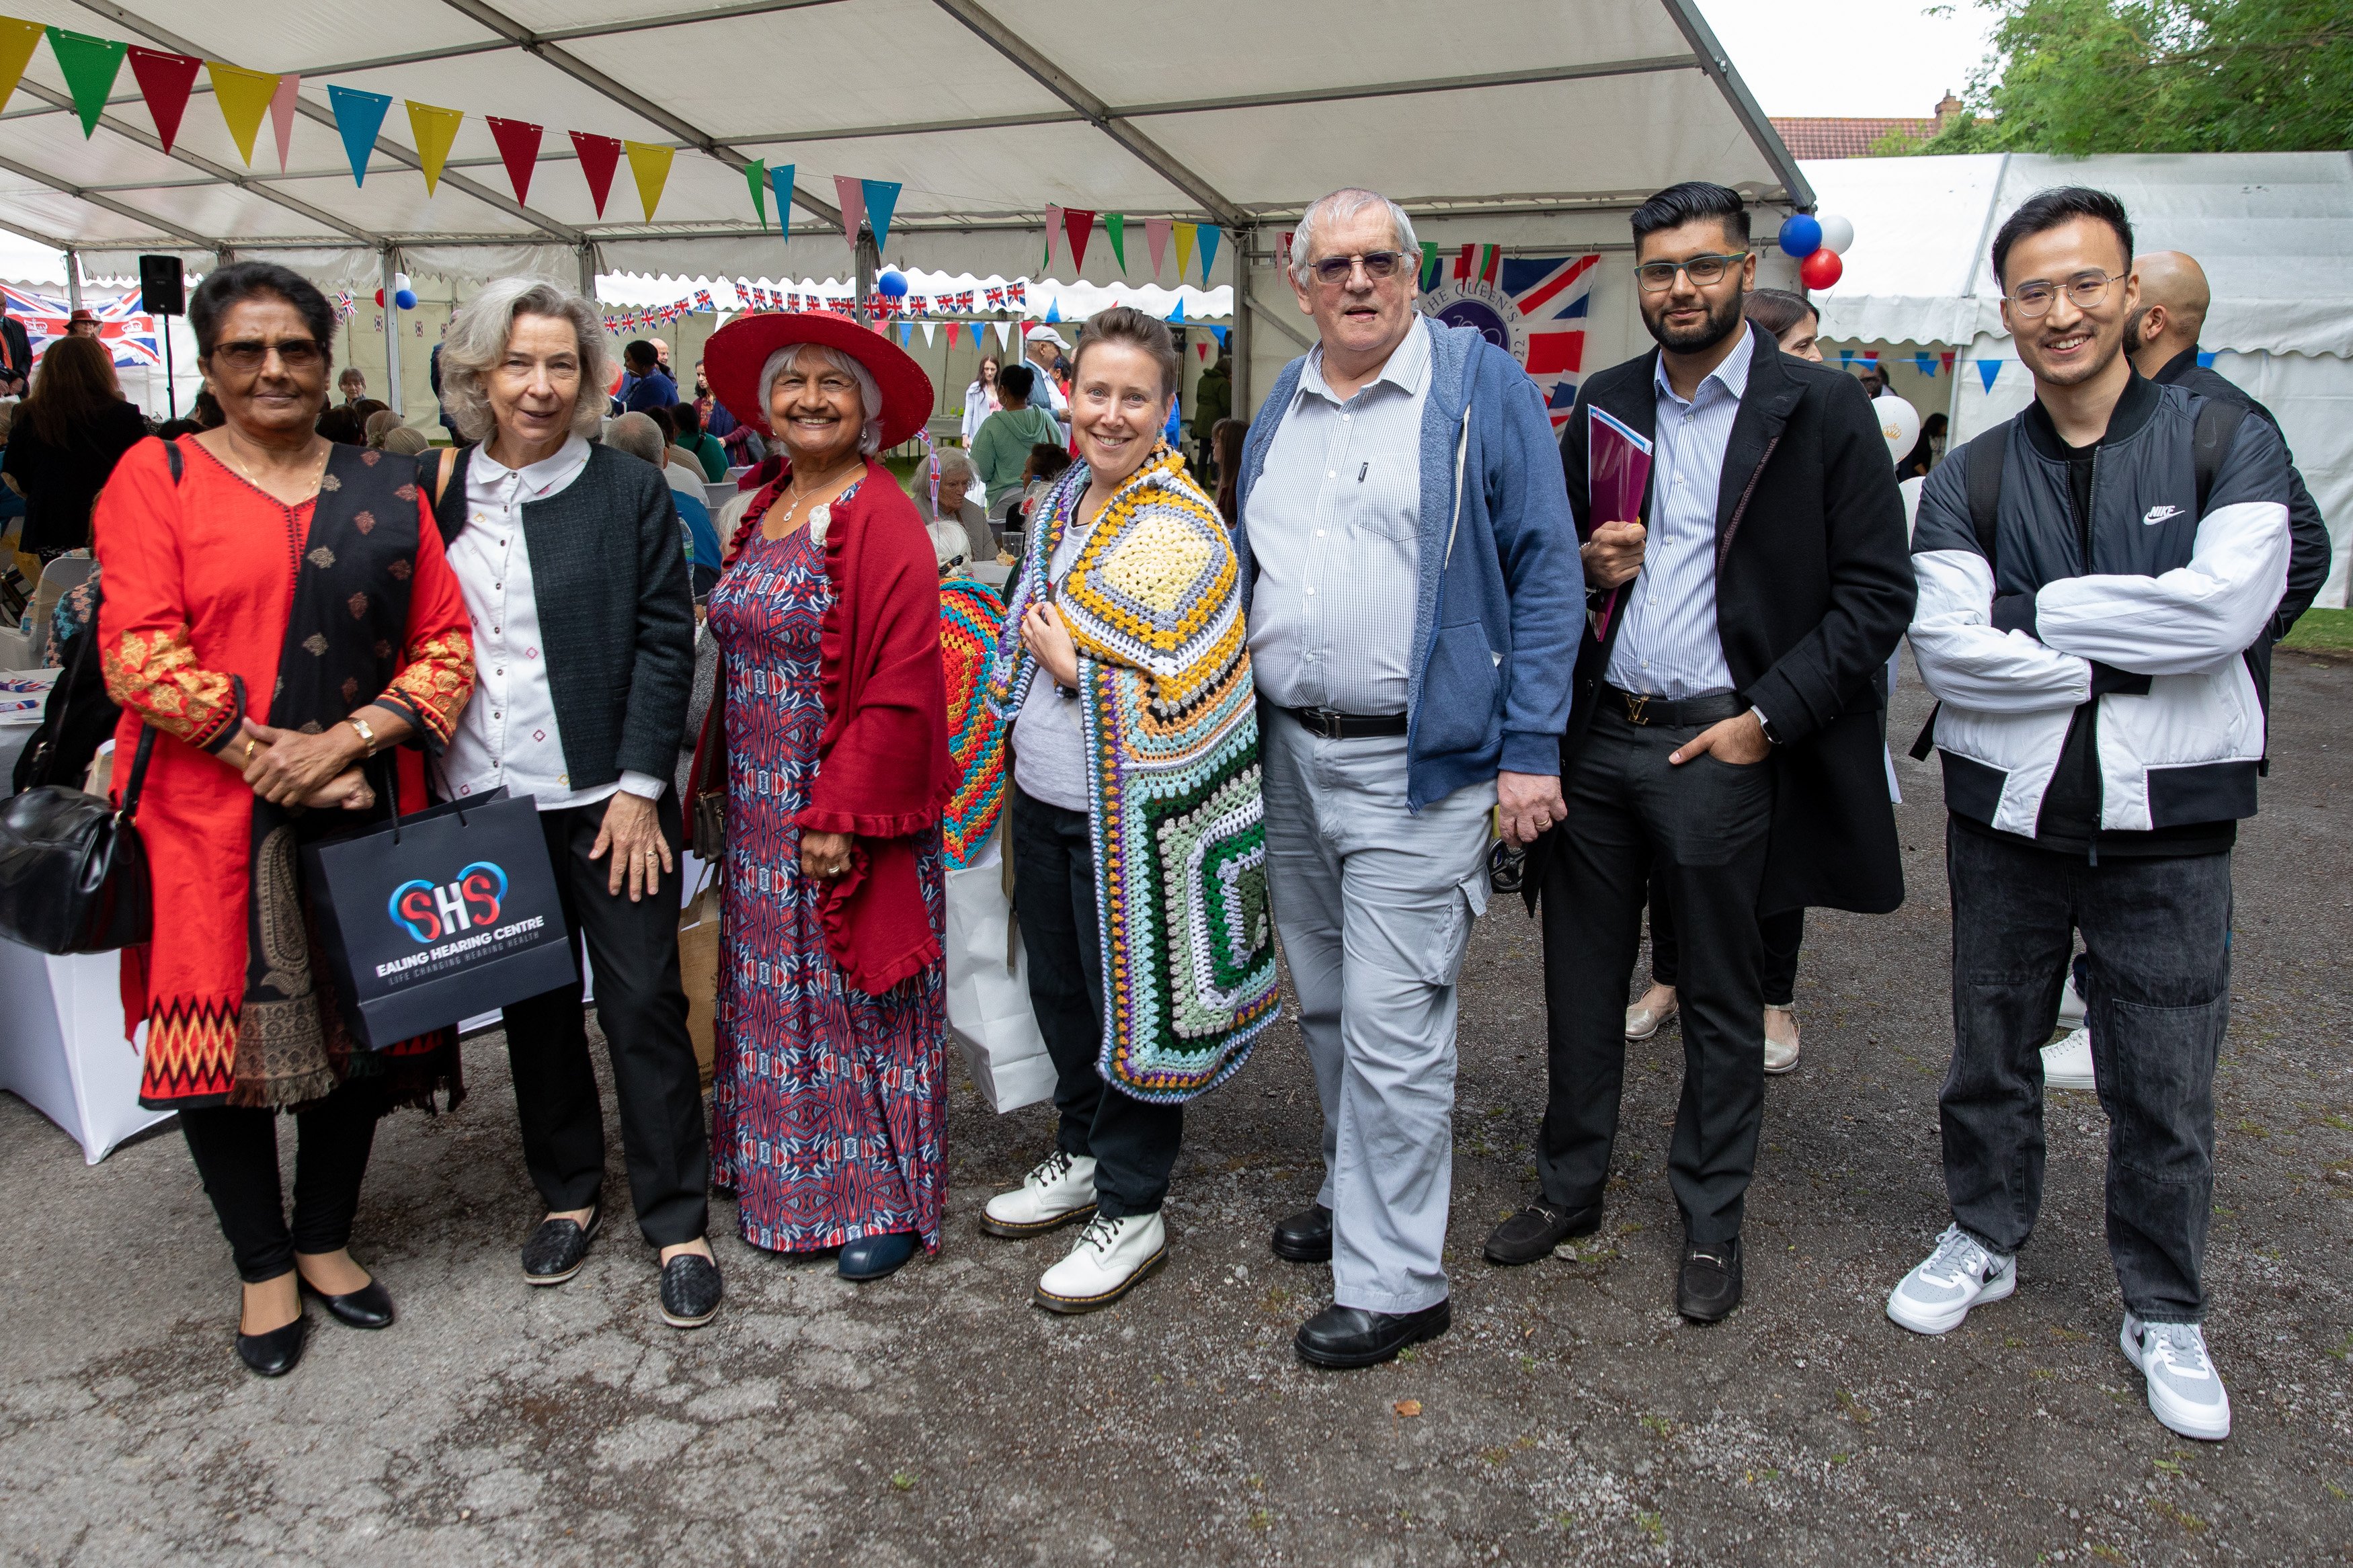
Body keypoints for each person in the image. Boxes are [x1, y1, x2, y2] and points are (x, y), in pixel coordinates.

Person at [1893, 189, 2292, 1444]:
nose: (2060, 311)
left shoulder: (2229, 439)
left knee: (2164, 1078)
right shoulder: (1973, 472)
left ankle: (2164, 1304)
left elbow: (2224, 617)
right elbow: (1952, 655)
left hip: (2173, 820)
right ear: (2005, 311)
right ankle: (1984, 1231)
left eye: (2085, 284)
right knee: (1991, 1048)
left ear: (2132, 297)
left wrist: (2044, 613)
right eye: (2033, 291)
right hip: (2008, 811)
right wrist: (2128, 628)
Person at [1497, 181, 1913, 1325]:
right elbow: (1551, 571)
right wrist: (1590, 566)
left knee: (1724, 993)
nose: (1681, 286)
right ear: (1640, 280)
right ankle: (1568, 1188)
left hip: (1720, 743)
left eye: (1704, 265)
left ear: (1745, 269)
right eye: (1660, 269)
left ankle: (1711, 1218)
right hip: (1600, 735)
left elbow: (1879, 598)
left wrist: (1764, 720)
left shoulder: (1819, 408)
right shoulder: (1610, 400)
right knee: (1577, 982)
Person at [92, 260, 475, 1377]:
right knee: (218, 1048)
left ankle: (323, 1238)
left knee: (360, 1029)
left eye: (295, 349)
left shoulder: (385, 484)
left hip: (362, 794)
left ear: (325, 359)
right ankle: (261, 1261)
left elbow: (446, 649)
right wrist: (272, 757)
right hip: (204, 816)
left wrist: (347, 742)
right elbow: (135, 649)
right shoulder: (154, 476)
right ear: (209, 365)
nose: (272, 369)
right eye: (246, 350)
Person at [1237, 188, 1581, 1368]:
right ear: (1301, 283)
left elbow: (1546, 570)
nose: (1359, 282)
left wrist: (1531, 746)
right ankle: (1356, 1190)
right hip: (1293, 751)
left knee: (1394, 1025)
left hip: (1416, 764)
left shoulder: (1478, 388)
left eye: (1381, 260)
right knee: (1327, 1003)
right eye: (1333, 265)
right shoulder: (1284, 396)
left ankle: (1397, 1282)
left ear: (1415, 270)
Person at [426, 278, 719, 1330]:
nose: (540, 386)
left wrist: (643, 791)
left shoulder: (626, 491)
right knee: (536, 1007)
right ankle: (565, 1190)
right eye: (517, 364)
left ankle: (677, 1218)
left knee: (642, 1000)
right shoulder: (438, 488)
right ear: (477, 376)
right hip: (485, 798)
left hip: (609, 797)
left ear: (591, 377)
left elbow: (662, 641)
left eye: (560, 364)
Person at [983, 306, 1276, 1311]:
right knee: (1062, 994)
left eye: (1133, 397)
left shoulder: (1178, 525)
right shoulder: (1064, 500)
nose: (1110, 414)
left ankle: (1135, 1202)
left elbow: (1197, 687)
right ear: (1070, 396)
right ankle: (1078, 1150)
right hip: (1049, 797)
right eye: (1095, 392)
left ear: (1165, 409)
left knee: (1134, 1005)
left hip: (1139, 823)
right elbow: (1028, 628)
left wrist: (1075, 670)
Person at [692, 311, 959, 1282]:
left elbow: (903, 679)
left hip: (846, 813)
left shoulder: (879, 513)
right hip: (763, 813)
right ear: (763, 409)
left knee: (856, 1001)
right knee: (773, 1000)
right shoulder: (759, 504)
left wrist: (841, 813)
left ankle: (880, 1198)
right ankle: (776, 1176)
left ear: (869, 412)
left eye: (832, 384)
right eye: (791, 383)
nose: (809, 399)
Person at [1624, 283, 1837, 1069]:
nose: (1814, 357)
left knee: (1773, 868)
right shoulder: (1652, 414)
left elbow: (1865, 590)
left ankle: (1769, 997)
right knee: (1670, 868)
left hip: (1770, 698)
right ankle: (1669, 978)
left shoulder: (1823, 415)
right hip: (1663, 705)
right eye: (1803, 342)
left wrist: (1770, 713)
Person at [1, 335, 149, 565]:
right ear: (99, 369)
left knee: (60, 590)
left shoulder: (28, 415)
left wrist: (44, 490)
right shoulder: (125, 414)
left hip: (52, 526)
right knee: (109, 594)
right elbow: (144, 472)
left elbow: (12, 473)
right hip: (111, 523)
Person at [969, 362, 1062, 511]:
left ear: (1002, 390)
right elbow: (1060, 460)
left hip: (1003, 504)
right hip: (1043, 501)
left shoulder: (993, 425)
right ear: (1029, 390)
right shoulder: (1047, 420)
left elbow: (981, 469)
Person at [928, 448, 991, 567]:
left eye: (965, 483)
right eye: (953, 485)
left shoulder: (975, 513)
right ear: (932, 485)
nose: (962, 491)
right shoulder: (914, 514)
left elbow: (992, 562)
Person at [1191, 347, 1232, 472]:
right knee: (1216, 450)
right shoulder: (1223, 383)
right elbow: (1226, 405)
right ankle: (1214, 479)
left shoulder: (1202, 380)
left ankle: (1201, 479)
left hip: (1201, 419)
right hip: (1216, 421)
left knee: (1203, 451)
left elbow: (1198, 398)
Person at [1023, 325, 1072, 422]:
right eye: (1057, 348)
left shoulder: (1047, 376)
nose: (1060, 354)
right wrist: (1057, 415)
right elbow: (1019, 414)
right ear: (1042, 349)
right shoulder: (1021, 377)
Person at [671, 401, 727, 481]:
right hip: (724, 490)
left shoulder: (677, 447)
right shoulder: (713, 440)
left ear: (676, 425)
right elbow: (726, 469)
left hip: (701, 491)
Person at [620, 339, 678, 413]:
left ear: (641, 361)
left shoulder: (655, 384)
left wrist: (615, 406)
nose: (625, 365)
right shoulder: (651, 380)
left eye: (628, 360)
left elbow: (641, 413)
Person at [1209, 416, 1247, 529]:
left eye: (1218, 440)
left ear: (1231, 447)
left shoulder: (1238, 490)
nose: (1213, 445)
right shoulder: (1229, 482)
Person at [959, 353, 1002, 447]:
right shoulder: (975, 389)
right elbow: (968, 414)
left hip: (999, 434)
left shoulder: (1001, 388)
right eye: (987, 369)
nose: (989, 373)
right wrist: (965, 436)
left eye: (993, 369)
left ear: (997, 370)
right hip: (981, 434)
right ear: (982, 369)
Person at [1898, 412, 1948, 480]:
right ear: (1936, 425)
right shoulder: (1922, 437)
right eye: (1944, 425)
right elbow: (1916, 459)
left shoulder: (1946, 438)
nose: (1946, 428)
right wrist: (1927, 477)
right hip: (1925, 475)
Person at [0, 291, 31, 398]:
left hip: (18, 390)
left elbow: (27, 357)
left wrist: (21, 378)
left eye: (4, 304)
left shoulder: (18, 327)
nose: (2, 309)